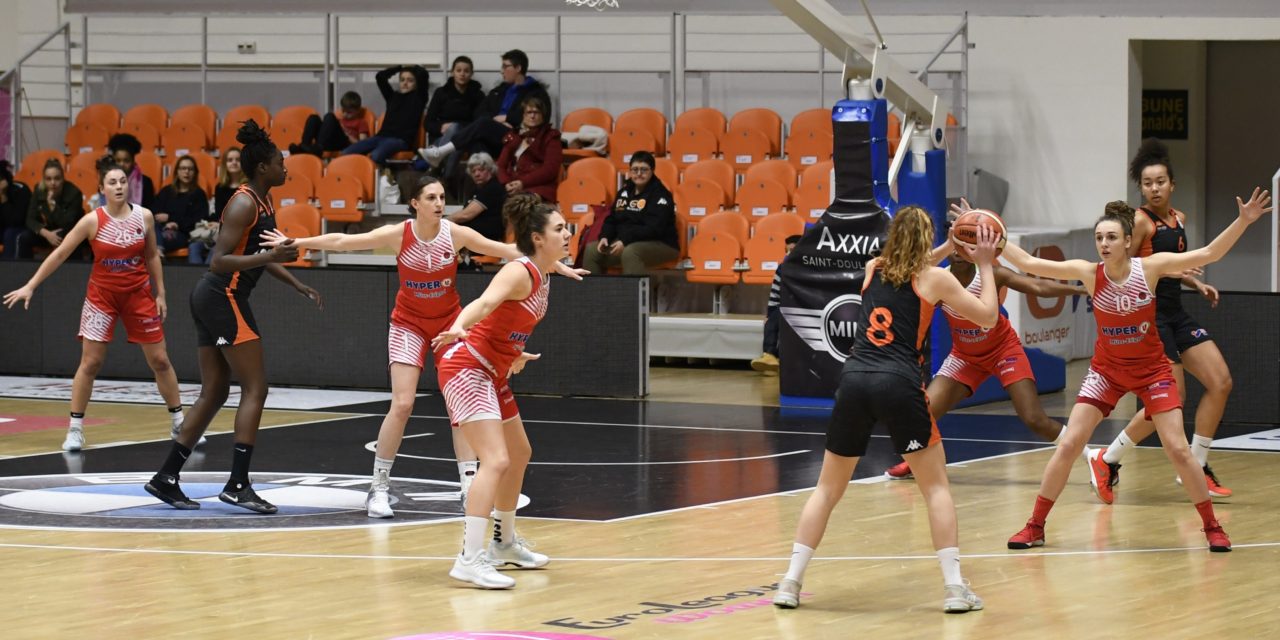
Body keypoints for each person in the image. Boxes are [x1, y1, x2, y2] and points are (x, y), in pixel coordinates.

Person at [260, 177, 585, 518]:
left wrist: (557, 264)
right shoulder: (400, 234)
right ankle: (379, 487)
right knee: (402, 403)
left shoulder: (455, 233)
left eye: (443, 197)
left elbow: (513, 252)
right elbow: (343, 240)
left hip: (450, 322)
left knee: (461, 409)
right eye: (431, 197)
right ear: (415, 203)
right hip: (409, 324)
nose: (439, 203)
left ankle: (468, 485)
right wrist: (295, 240)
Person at [1003, 193, 1272, 553]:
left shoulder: (1151, 268)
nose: (1104, 244)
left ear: (1129, 241)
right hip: (1107, 372)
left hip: (1151, 372)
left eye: (1111, 237)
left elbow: (1209, 254)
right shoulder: (1088, 273)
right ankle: (1035, 526)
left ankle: (1212, 528)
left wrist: (1244, 221)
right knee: (1069, 444)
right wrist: (991, 236)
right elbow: (1025, 261)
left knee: (1177, 448)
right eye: (1099, 238)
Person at [770, 207, 1000, 613]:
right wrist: (984, 264)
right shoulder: (937, 279)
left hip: (855, 380)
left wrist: (949, 245)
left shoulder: (873, 268)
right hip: (899, 383)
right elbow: (987, 317)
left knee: (826, 490)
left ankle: (790, 582)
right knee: (935, 488)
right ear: (927, 240)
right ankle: (953, 588)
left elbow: (910, 264)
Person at [143, 120, 322, 515]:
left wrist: (295, 283)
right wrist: (269, 257)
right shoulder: (243, 202)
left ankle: (166, 478)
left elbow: (262, 252)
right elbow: (219, 259)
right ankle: (238, 484)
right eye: (280, 162)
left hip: (215, 298)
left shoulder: (263, 201)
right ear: (263, 168)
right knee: (256, 387)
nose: (285, 167)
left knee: (215, 391)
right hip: (222, 296)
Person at [429, 194, 573, 589]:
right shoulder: (518, 271)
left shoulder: (544, 274)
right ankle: (469, 559)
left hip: (494, 368)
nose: (567, 234)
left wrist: (514, 352)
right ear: (537, 238)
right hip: (466, 367)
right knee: (494, 460)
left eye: (566, 227)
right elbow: (486, 302)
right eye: (559, 228)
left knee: (519, 452)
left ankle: (503, 543)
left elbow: (508, 324)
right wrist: (460, 324)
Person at [881, 204, 1088, 479]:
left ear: (975, 249)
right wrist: (949, 241)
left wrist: (1080, 290)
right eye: (956, 242)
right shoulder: (939, 278)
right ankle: (916, 462)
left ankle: (1091, 456)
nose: (958, 249)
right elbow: (913, 268)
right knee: (924, 412)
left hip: (1003, 351)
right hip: (965, 357)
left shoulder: (991, 272)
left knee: (1034, 419)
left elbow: (1037, 286)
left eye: (965, 243)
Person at [1086, 139, 1236, 503]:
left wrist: (1194, 281)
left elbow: (1161, 267)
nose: (1154, 188)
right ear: (1141, 188)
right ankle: (1106, 458)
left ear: (1172, 184)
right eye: (1148, 183)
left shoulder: (1178, 219)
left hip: (1176, 311)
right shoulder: (1139, 222)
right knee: (1171, 400)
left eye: (1160, 181)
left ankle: (1196, 464)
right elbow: (1124, 267)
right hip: (1149, 319)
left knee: (1220, 381)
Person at [4, 158, 190, 452]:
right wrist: (31, 285)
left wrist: (161, 293)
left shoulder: (144, 217)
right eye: (112, 182)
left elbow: (152, 255)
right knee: (90, 363)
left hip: (138, 295)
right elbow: (60, 253)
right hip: (102, 298)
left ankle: (180, 423)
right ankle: (76, 429)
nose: (119, 186)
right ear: (101, 188)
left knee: (161, 360)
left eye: (122, 181)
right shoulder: (92, 220)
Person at [418, 49, 551, 169]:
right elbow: (479, 113)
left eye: (505, 66)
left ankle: (441, 152)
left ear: (518, 68)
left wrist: (508, 118)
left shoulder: (536, 92)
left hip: (518, 136)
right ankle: (474, 182)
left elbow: (541, 116)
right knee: (475, 141)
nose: (501, 71)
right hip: (496, 137)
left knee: (482, 124)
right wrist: (496, 122)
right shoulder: (498, 91)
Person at [581, 151, 679, 275]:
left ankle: (633, 294)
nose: (639, 174)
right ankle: (593, 293)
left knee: (631, 252)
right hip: (627, 241)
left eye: (644, 170)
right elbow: (612, 219)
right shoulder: (624, 192)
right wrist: (605, 236)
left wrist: (625, 240)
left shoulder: (661, 195)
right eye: (635, 169)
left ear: (652, 171)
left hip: (662, 244)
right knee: (591, 250)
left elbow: (653, 229)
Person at [343, 65, 430, 166]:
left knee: (375, 156)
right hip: (380, 137)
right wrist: (399, 68)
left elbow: (423, 74)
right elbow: (380, 77)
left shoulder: (419, 98)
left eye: (410, 80)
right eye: (402, 80)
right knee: (346, 153)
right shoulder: (392, 97)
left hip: (400, 140)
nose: (405, 83)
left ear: (416, 83)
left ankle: (385, 176)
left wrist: (411, 67)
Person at [496, 95, 562, 203]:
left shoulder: (551, 136)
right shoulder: (514, 135)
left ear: (543, 116)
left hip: (538, 187)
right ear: (523, 115)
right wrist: (507, 183)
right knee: (488, 198)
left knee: (520, 203)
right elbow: (501, 165)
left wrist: (522, 183)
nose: (532, 116)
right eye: (529, 112)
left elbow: (550, 170)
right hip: (511, 186)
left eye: (536, 112)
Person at [751, 234, 802, 374]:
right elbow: (774, 294)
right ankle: (769, 356)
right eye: (787, 251)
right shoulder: (782, 268)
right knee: (773, 319)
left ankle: (775, 359)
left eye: (793, 250)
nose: (789, 254)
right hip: (785, 307)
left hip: (804, 308)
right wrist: (769, 313)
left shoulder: (811, 268)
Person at [20, 158, 87, 260]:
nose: (53, 183)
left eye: (57, 178)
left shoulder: (74, 193)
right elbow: (30, 219)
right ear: (44, 179)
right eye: (48, 179)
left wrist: (52, 205)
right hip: (47, 232)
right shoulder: (39, 190)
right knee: (24, 238)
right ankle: (24, 272)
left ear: (63, 178)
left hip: (69, 232)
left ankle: (73, 273)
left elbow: (67, 223)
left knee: (73, 241)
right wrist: (46, 234)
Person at [152, 155, 210, 255]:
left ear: (195, 173)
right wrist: (166, 224)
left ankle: (158, 251)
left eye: (190, 169)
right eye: (183, 168)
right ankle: (158, 251)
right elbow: (154, 212)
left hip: (184, 234)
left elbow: (198, 221)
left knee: (161, 238)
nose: (186, 172)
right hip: (160, 229)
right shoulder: (166, 191)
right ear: (177, 172)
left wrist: (174, 221)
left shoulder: (199, 194)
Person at [289, 91, 371, 157]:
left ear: (358, 111)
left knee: (329, 116)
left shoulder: (361, 122)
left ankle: (318, 148)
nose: (345, 114)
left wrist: (347, 135)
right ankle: (304, 146)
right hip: (330, 141)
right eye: (343, 111)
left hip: (344, 144)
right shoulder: (340, 120)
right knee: (313, 118)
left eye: (349, 112)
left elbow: (362, 145)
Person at [424, 56, 484, 147]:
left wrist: (457, 127)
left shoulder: (478, 95)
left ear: (471, 74)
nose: (462, 74)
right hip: (441, 136)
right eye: (458, 70)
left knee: (456, 135)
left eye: (466, 71)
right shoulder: (441, 92)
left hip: (465, 136)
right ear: (452, 72)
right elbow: (428, 123)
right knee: (455, 140)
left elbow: (479, 122)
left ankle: (436, 155)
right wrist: (441, 127)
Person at [448, 152, 506, 244]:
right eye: (473, 171)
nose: (477, 174)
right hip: (474, 239)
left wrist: (443, 222)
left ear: (490, 170)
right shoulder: (479, 189)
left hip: (488, 241)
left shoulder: (492, 188)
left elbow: (465, 215)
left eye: (481, 170)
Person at [106, 133, 155, 209]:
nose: (121, 164)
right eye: (118, 161)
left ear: (133, 161)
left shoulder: (146, 182)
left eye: (126, 161)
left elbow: (149, 209)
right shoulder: (107, 180)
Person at [0, 160, 33, 260]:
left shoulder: (20, 190)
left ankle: (8, 271)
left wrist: (3, 196)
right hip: (3, 228)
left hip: (21, 228)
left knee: (10, 234)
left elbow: (15, 221)